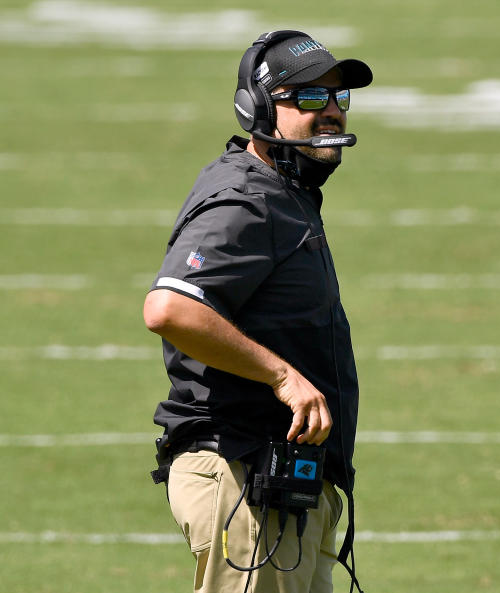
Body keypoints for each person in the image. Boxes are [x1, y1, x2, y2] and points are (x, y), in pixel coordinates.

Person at [143, 30, 372, 593]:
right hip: (243, 478)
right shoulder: (248, 200)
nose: (332, 113)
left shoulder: (283, 193)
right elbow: (170, 308)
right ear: (261, 108)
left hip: (281, 485)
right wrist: (283, 378)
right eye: (310, 99)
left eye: (338, 98)